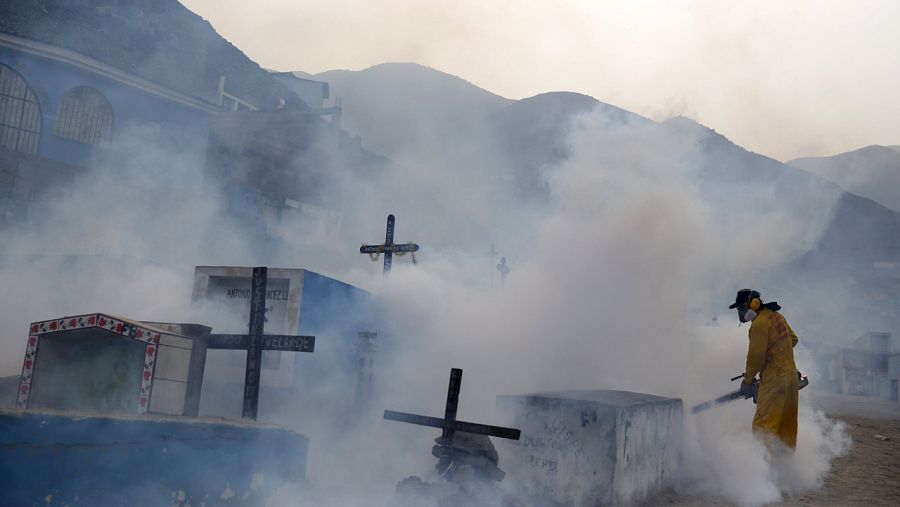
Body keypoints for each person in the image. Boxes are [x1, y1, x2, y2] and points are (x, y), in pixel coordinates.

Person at [729, 288, 800, 450]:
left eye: (741, 308)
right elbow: (793, 340)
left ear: (753, 304)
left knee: (764, 428)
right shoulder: (777, 316)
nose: (741, 313)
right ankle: (785, 468)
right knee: (785, 429)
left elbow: (756, 358)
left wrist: (747, 380)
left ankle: (760, 471)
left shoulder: (759, 324)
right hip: (790, 378)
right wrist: (779, 356)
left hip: (774, 381)